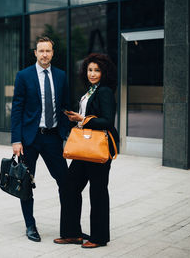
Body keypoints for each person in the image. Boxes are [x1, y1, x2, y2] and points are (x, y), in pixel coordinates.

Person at [11, 36, 72, 242]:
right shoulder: (24, 76)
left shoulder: (61, 76)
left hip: (53, 138)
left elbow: (65, 106)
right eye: (41, 51)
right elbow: (17, 109)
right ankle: (30, 225)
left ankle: (70, 228)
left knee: (65, 182)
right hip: (30, 138)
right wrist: (16, 140)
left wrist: (68, 132)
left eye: (48, 50)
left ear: (52, 53)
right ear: (35, 53)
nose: (44, 54)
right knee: (26, 183)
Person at [56, 53, 119, 248]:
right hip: (85, 147)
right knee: (68, 186)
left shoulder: (105, 91)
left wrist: (82, 120)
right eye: (90, 70)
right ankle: (72, 233)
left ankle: (99, 237)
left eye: (97, 70)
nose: (92, 74)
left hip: (98, 148)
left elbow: (108, 120)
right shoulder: (91, 90)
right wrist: (77, 117)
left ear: (104, 72)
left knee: (98, 192)